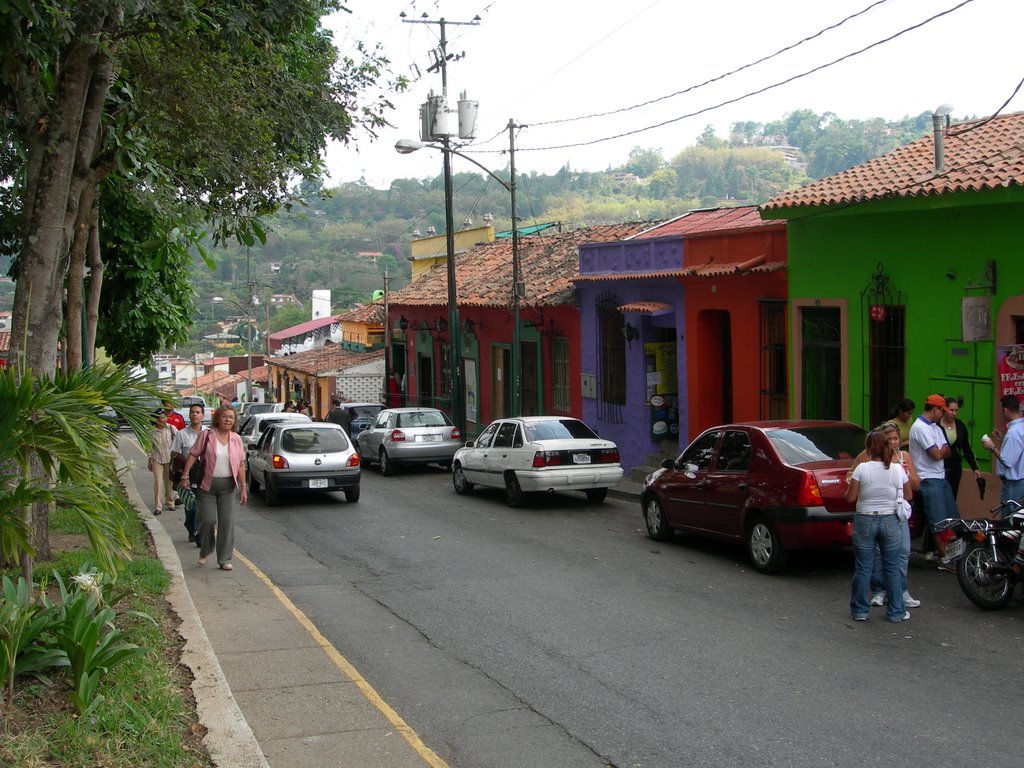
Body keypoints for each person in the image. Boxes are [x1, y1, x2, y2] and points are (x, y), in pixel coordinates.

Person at [848, 422, 921, 609]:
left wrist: (903, 472)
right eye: (889, 440)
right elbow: (851, 477)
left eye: (896, 439)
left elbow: (913, 488)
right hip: (881, 515)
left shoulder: (902, 459)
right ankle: (886, 598)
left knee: (901, 552)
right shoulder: (865, 460)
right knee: (881, 559)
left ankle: (891, 597)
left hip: (893, 513)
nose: (893, 443)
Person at [179, 404, 247, 571]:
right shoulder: (207, 435)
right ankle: (206, 550)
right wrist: (185, 475)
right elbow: (194, 454)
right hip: (207, 486)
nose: (228, 419)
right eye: (224, 416)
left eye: (231, 417)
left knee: (226, 523)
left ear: (234, 421)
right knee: (207, 520)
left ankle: (224, 559)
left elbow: (240, 464)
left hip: (227, 487)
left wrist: (244, 487)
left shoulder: (236, 439)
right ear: (218, 418)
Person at [909, 393, 960, 569]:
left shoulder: (936, 428)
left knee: (952, 518)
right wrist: (942, 450)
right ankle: (945, 558)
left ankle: (950, 555)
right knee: (938, 520)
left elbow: (948, 451)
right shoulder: (920, 428)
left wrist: (942, 450)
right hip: (928, 478)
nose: (945, 414)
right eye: (943, 411)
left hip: (940, 476)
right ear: (936, 409)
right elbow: (938, 453)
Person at [171, 403, 205, 544]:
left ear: (203, 415)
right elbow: (173, 452)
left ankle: (198, 534)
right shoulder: (181, 434)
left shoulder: (209, 433)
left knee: (201, 505)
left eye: (198, 412)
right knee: (191, 505)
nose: (195, 414)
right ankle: (190, 528)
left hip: (204, 474)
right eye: (192, 412)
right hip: (188, 474)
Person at [982, 394, 1024, 509]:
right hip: (1019, 482)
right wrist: (1002, 440)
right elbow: (1017, 450)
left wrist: (992, 447)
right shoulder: (1021, 427)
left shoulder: (1014, 433)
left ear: (1005, 410)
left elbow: (1008, 461)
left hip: (1014, 485)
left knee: (1010, 521)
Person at [940, 396, 981, 499]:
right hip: (940, 466)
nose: (954, 413)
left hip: (955, 467)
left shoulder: (960, 425)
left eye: (956, 410)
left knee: (952, 496)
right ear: (944, 409)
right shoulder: (936, 425)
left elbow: (966, 448)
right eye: (951, 410)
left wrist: (975, 468)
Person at [148, 410, 178, 515]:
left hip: (169, 459)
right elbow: (148, 446)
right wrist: (149, 459)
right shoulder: (151, 431)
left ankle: (170, 502)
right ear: (156, 420)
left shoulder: (171, 428)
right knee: (158, 482)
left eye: (165, 417)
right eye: (162, 417)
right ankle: (158, 506)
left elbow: (178, 439)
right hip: (157, 459)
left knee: (169, 482)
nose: (164, 419)